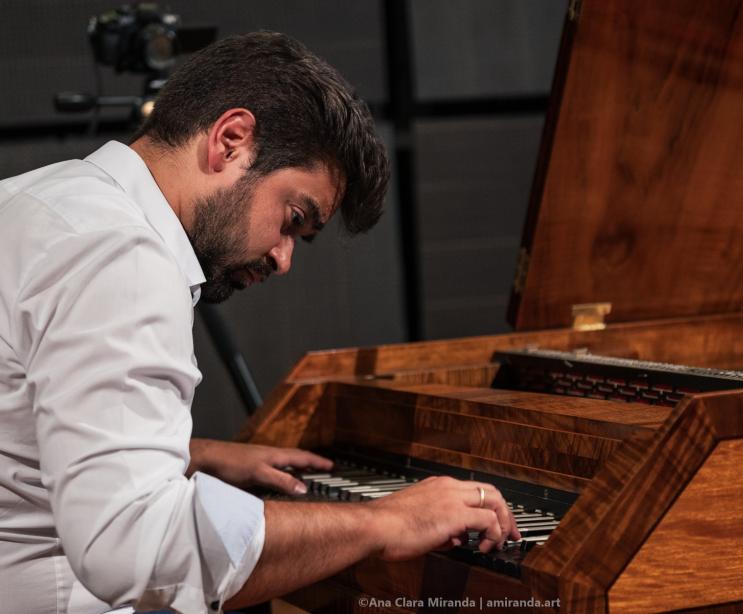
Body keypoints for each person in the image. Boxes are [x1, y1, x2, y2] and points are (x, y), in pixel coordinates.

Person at [0, 31, 519, 613]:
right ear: (232, 141)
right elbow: (134, 549)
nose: (282, 258)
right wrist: (383, 521)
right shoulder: (122, 255)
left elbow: (20, 434)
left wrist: (194, 454)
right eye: (293, 217)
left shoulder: (37, 200)